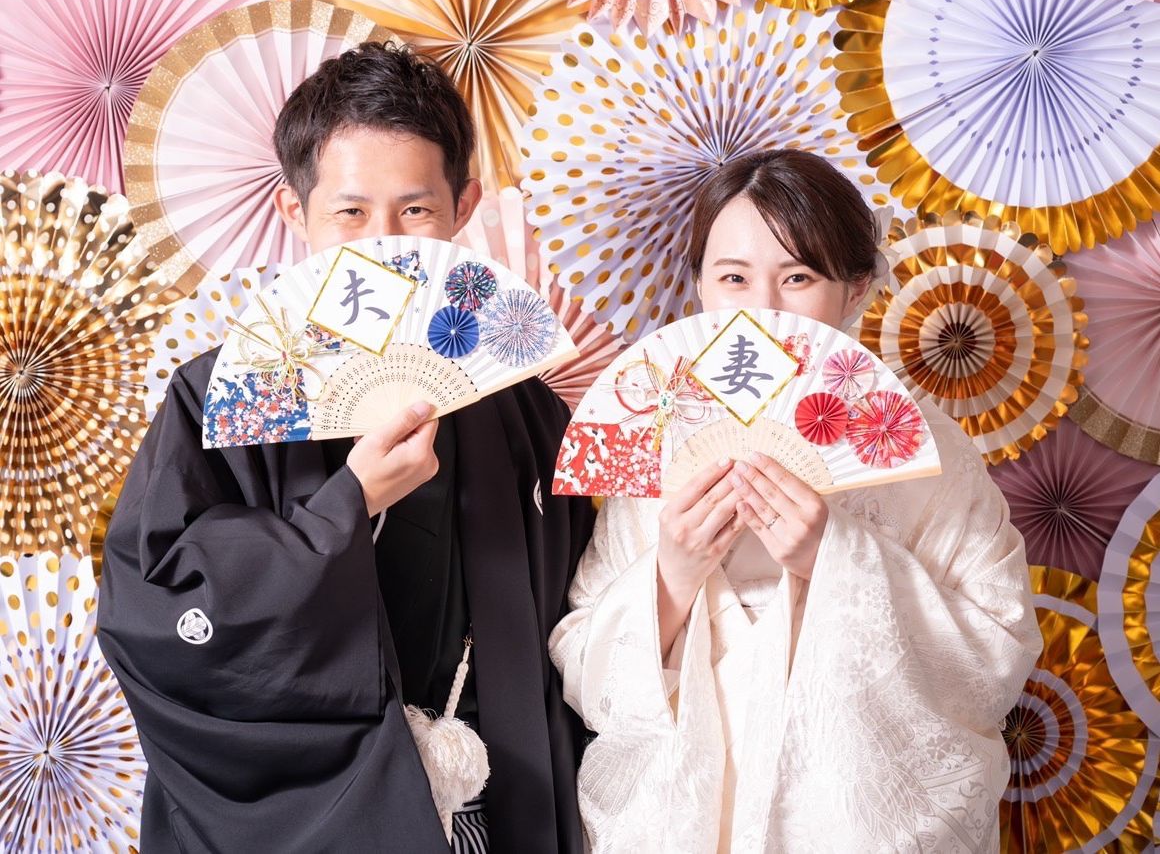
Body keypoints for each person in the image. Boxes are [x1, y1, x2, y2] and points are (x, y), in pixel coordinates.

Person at [98, 42, 594, 853]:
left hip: (490, 806)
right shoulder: (221, 395)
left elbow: (575, 633)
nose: (385, 244)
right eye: (351, 214)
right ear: (295, 213)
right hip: (315, 820)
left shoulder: (522, 406)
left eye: (416, 211)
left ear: (463, 205)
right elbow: (155, 616)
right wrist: (344, 507)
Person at [549, 150, 1042, 852]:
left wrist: (835, 557)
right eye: (733, 277)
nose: (764, 308)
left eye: (798, 277)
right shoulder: (656, 434)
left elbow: (995, 653)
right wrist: (672, 576)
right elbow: (581, 660)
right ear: (699, 286)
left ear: (856, 289)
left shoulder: (927, 451)